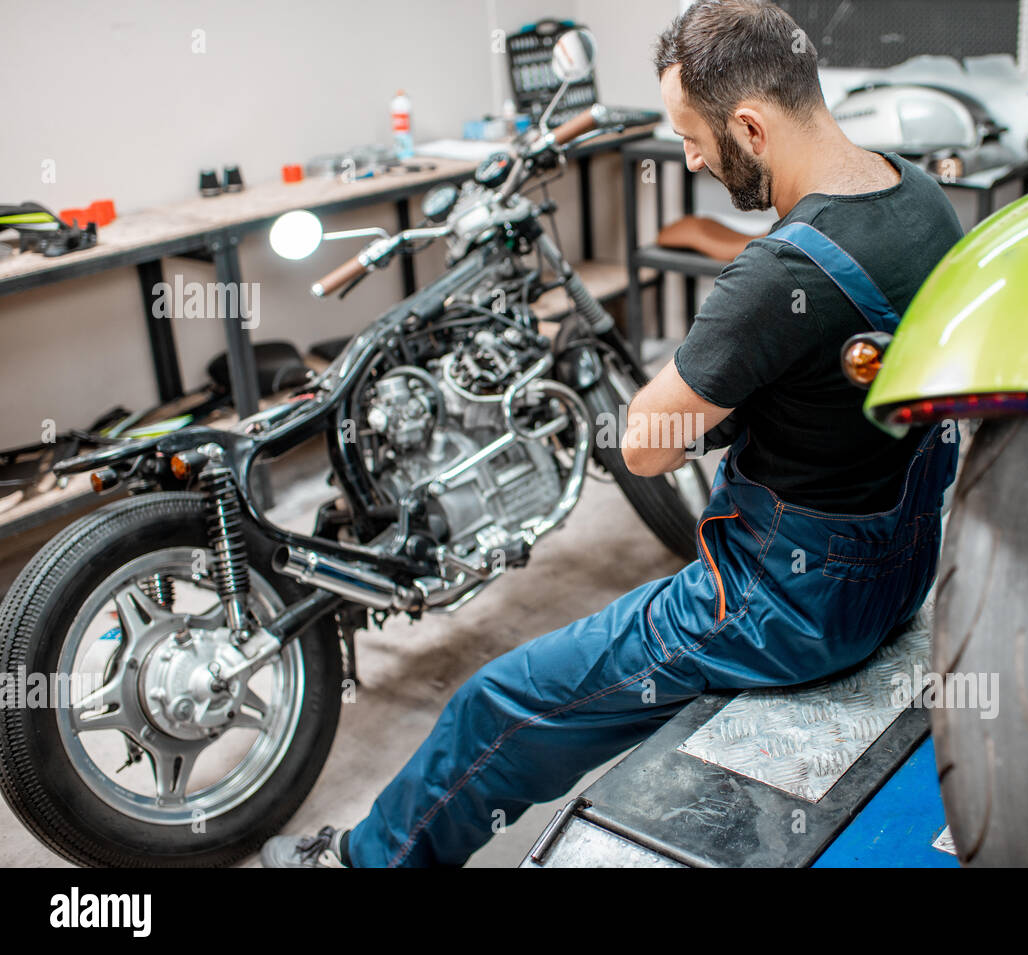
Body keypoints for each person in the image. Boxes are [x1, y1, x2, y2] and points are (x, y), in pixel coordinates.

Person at [262, 0, 964, 868]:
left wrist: (735, 340)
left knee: (495, 704)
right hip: (904, 568)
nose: (690, 157)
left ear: (751, 123)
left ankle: (358, 863)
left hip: (789, 606)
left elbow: (646, 446)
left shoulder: (779, 271)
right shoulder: (922, 196)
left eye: (694, 136)